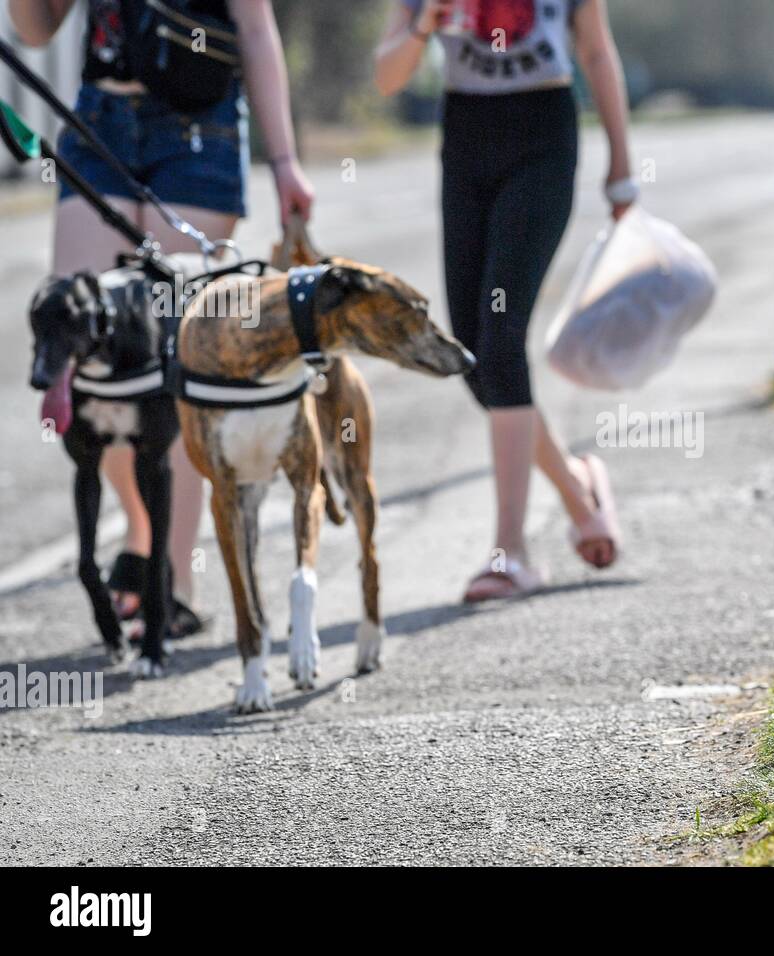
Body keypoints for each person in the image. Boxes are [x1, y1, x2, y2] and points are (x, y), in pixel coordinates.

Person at [9, 0, 314, 632]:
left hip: (199, 128)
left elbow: (255, 28)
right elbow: (34, 29)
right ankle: (143, 533)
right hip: (98, 120)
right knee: (90, 355)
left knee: (172, 373)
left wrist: (284, 161)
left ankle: (171, 582)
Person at [375, 0, 633, 602]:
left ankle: (509, 552)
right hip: (465, 136)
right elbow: (388, 78)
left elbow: (595, 49)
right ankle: (578, 489)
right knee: (470, 355)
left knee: (499, 338)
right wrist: (424, 23)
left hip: (543, 133)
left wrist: (622, 161)